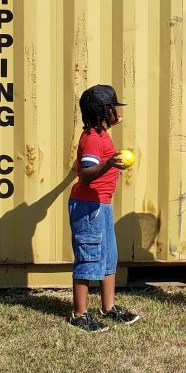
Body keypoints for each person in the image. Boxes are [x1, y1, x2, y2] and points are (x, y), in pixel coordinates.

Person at [67, 84, 140, 332]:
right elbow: (86, 174)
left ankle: (108, 308)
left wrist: (109, 125)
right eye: (112, 108)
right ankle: (79, 314)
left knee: (108, 257)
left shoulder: (99, 134)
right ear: (102, 111)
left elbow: (102, 137)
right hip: (88, 207)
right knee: (88, 257)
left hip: (102, 205)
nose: (116, 112)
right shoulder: (91, 140)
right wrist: (110, 163)